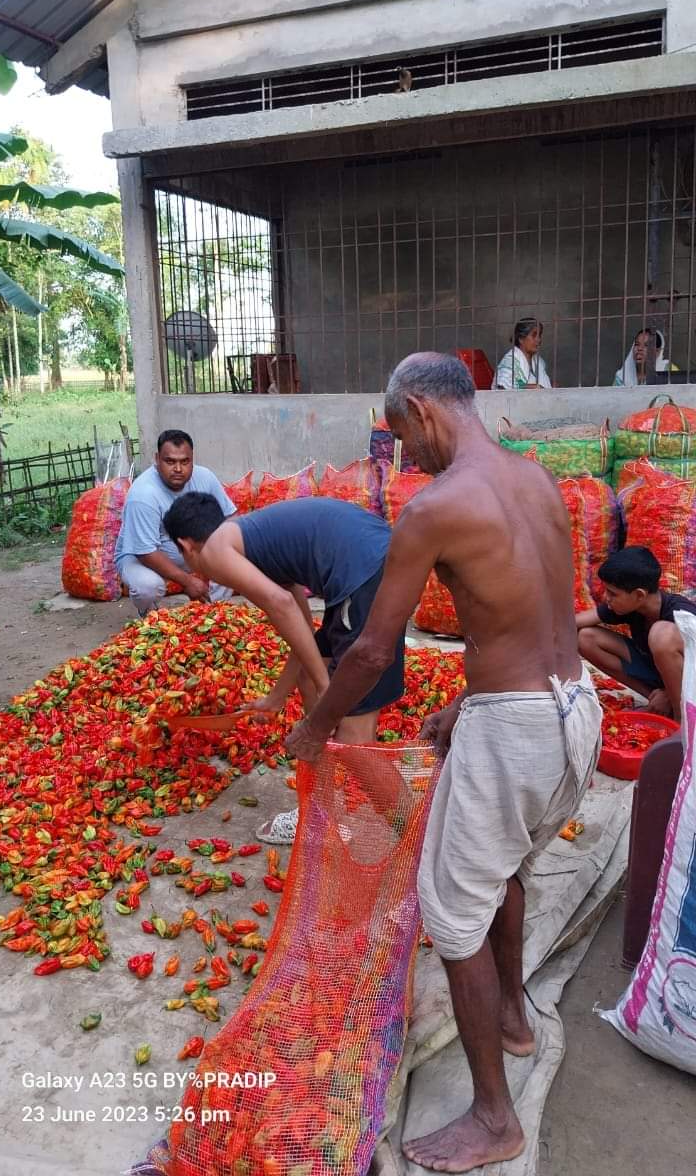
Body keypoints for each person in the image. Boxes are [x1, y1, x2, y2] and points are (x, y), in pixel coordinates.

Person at [285, 352, 602, 1174]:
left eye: (401, 436)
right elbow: (545, 618)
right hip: (575, 710)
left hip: (521, 732)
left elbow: (368, 652)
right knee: (505, 867)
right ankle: (516, 1021)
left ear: (424, 411)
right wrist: (470, 700)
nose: (404, 457)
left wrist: (316, 729)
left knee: (452, 913)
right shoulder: (535, 479)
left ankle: (494, 1117)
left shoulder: (435, 507)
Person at [162, 494, 406, 844]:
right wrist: (278, 697)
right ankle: (320, 812)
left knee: (356, 741)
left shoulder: (214, 550)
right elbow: (301, 623)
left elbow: (280, 605)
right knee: (309, 674)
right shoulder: (256, 539)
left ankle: (416, 838)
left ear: (185, 546)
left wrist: (328, 692)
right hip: (365, 563)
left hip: (363, 570)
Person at [115, 430, 235, 617]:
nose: (178, 469)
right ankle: (149, 614)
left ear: (192, 459)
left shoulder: (205, 477)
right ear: (157, 459)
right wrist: (188, 581)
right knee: (148, 587)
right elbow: (146, 552)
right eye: (170, 461)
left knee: (232, 556)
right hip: (140, 557)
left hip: (190, 554)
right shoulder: (143, 495)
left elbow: (230, 518)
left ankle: (213, 615)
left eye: (184, 462)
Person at [576, 546, 696, 721]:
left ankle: (682, 722)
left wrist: (669, 695)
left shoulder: (682, 614)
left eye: (612, 593)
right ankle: (657, 702)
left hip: (691, 681)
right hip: (663, 678)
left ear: (639, 595)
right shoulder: (631, 606)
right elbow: (576, 623)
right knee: (586, 638)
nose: (606, 598)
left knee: (660, 635)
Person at [492, 317, 552, 390]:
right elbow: (502, 386)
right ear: (521, 339)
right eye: (534, 335)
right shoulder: (510, 360)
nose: (538, 340)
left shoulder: (538, 361)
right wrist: (531, 387)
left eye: (539, 335)